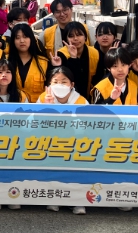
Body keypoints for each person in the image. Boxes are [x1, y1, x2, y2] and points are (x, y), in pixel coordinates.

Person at [39, 66, 89, 215]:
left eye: (64, 81)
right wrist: (47, 108)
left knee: (75, 173)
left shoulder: (81, 101)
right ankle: (55, 198)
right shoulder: (43, 98)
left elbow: (86, 127)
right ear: (49, 84)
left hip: (75, 145)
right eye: (55, 81)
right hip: (51, 144)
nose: (59, 85)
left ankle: (77, 202)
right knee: (53, 171)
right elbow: (36, 124)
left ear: (72, 84)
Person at [49, 21, 99, 100]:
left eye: (79, 35)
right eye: (71, 36)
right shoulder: (60, 55)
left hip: (89, 97)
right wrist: (73, 58)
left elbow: (98, 78)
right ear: (66, 39)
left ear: (85, 37)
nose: (75, 38)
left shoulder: (94, 53)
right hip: (67, 98)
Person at [7, 23, 50, 102]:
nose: (22, 41)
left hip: (38, 106)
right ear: (13, 41)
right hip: (14, 106)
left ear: (31, 39)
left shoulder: (44, 62)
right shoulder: (6, 62)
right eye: (17, 38)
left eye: (25, 37)